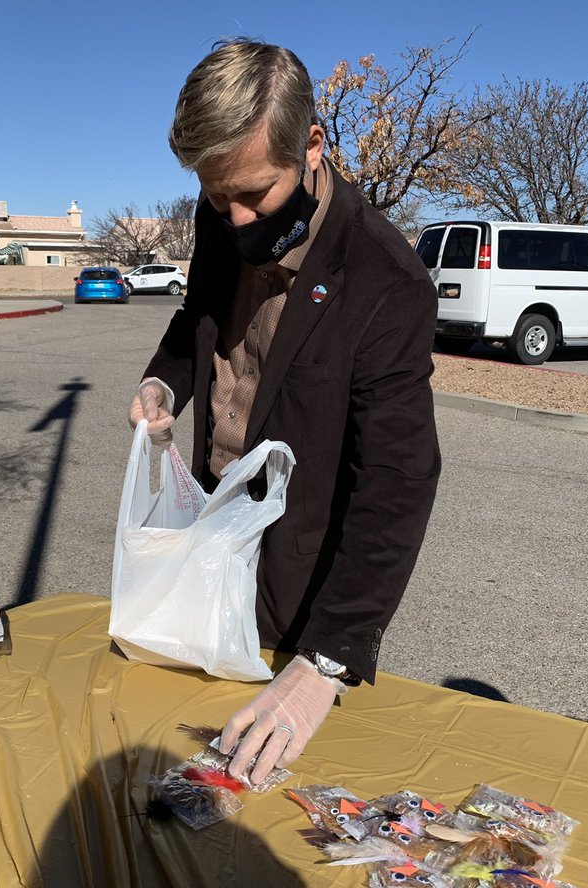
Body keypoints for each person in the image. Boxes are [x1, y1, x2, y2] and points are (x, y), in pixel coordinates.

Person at [128, 41, 441, 783]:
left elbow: (398, 480)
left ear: (312, 147)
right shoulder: (222, 216)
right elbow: (198, 317)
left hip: (296, 584)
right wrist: (165, 385)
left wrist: (326, 661)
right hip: (208, 530)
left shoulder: (383, 278)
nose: (234, 222)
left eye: (256, 196)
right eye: (215, 198)